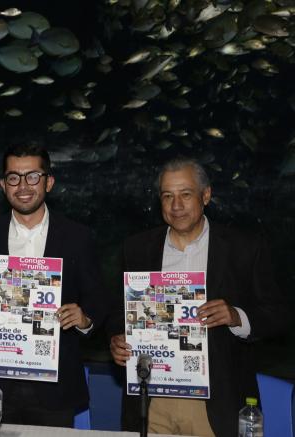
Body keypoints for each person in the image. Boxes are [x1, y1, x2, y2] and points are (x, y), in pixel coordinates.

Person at [107, 157, 288, 437]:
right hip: (153, 399)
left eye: (185, 194)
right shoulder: (137, 248)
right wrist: (118, 338)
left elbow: (277, 315)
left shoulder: (244, 247)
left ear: (205, 195)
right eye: (168, 196)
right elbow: (118, 312)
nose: (176, 206)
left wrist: (236, 316)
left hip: (217, 402)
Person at [0, 142, 106, 427]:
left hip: (54, 388)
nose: (23, 185)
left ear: (49, 182)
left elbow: (97, 300)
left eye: (33, 176)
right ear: (3, 185)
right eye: (14, 177)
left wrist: (85, 319)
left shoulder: (77, 237)